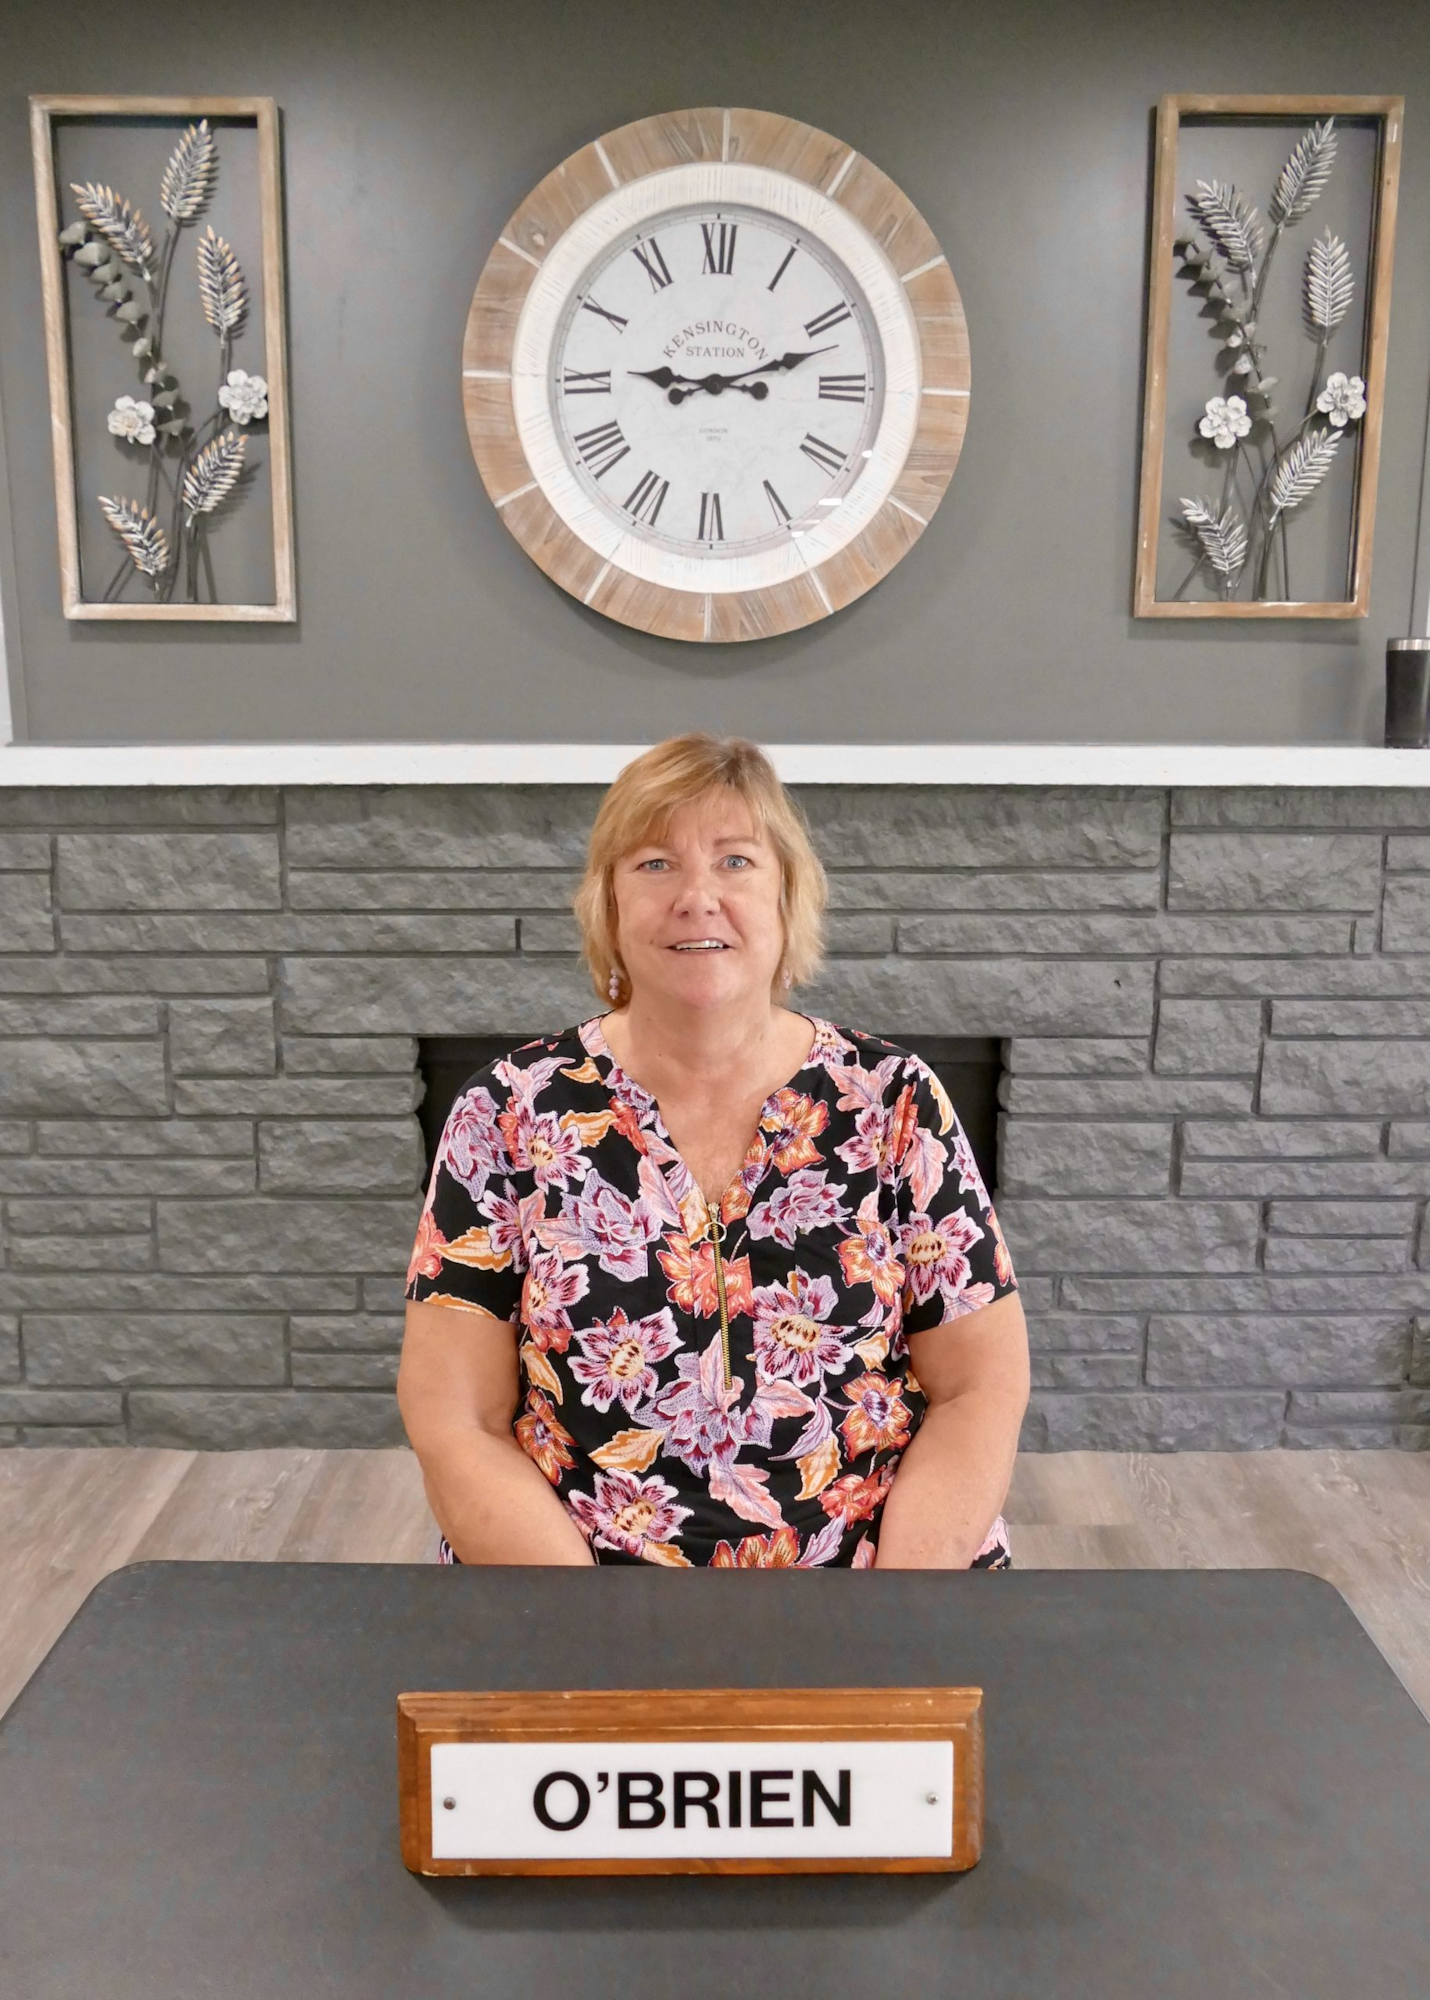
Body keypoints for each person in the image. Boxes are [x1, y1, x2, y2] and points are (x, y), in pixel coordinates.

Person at [398, 734, 1030, 1569]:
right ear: (608, 905)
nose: (698, 896)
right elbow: (457, 1417)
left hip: (872, 1585)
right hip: (571, 1594)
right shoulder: (509, 1110)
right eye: (654, 864)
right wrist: (582, 1641)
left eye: (736, 861)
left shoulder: (893, 1101)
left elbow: (977, 1387)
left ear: (786, 897)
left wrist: (894, 1621)